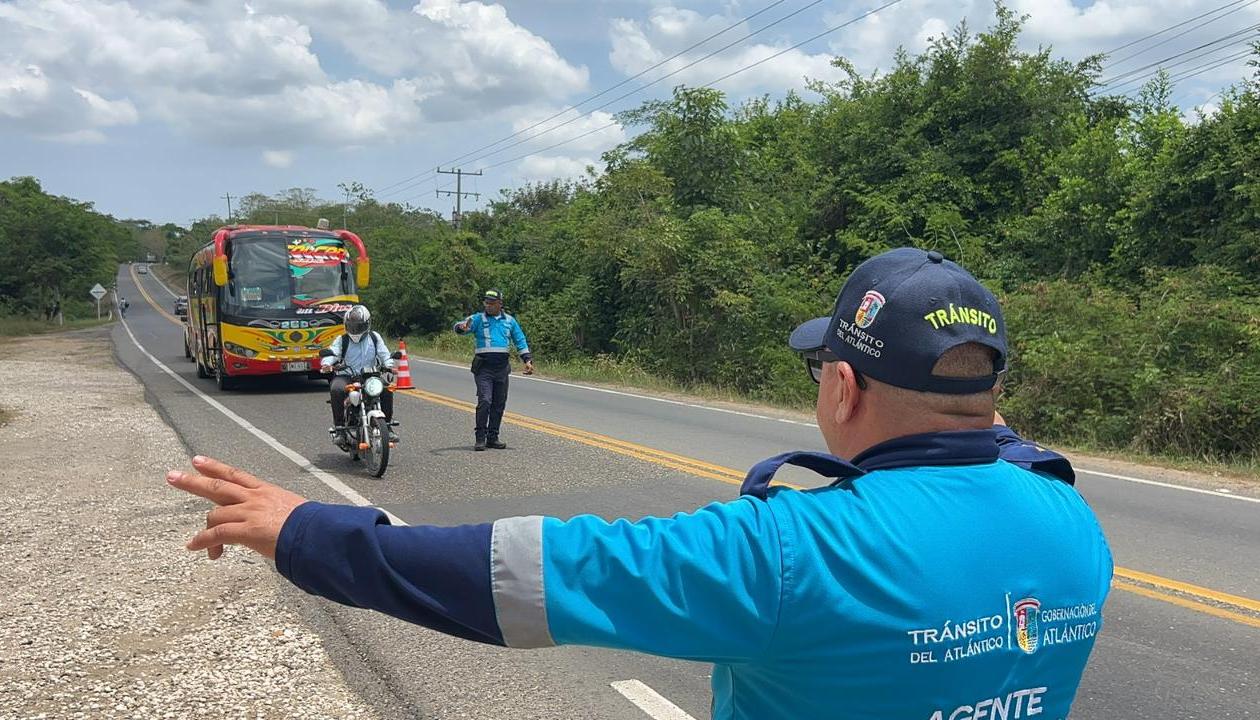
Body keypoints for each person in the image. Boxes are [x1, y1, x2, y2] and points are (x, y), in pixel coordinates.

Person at [169, 248, 1113, 719]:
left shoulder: (791, 550)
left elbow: (523, 575)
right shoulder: (1071, 517)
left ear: (840, 384)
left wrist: (302, 530)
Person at [453, 289, 533, 450]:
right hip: (484, 368)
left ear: (500, 304)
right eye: (486, 303)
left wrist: (527, 359)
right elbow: (459, 327)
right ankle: (480, 437)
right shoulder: (477, 319)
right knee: (485, 400)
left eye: (492, 303)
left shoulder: (510, 321)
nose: (488, 306)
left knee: (498, 403)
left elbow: (520, 339)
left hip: (502, 368)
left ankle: (493, 437)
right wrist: (461, 327)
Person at [321, 305, 396, 448]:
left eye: (358, 326)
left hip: (369, 375)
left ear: (367, 324)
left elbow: (384, 353)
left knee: (386, 389)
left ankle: (387, 426)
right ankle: (340, 429)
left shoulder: (374, 337)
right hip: (346, 376)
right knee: (336, 389)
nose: (355, 330)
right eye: (352, 326)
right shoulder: (342, 340)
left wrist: (389, 365)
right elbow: (333, 352)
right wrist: (326, 364)